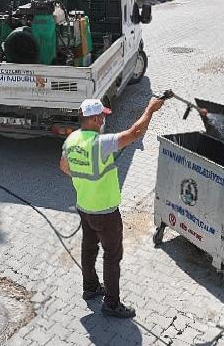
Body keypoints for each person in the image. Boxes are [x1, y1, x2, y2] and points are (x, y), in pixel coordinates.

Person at [59, 97, 165, 318]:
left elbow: (63, 167)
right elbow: (135, 133)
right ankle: (111, 304)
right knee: (112, 255)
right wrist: (150, 109)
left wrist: (85, 181)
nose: (104, 120)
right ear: (96, 118)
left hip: (84, 207)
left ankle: (90, 288)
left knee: (89, 247)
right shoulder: (100, 143)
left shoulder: (72, 139)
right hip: (105, 212)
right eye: (103, 117)